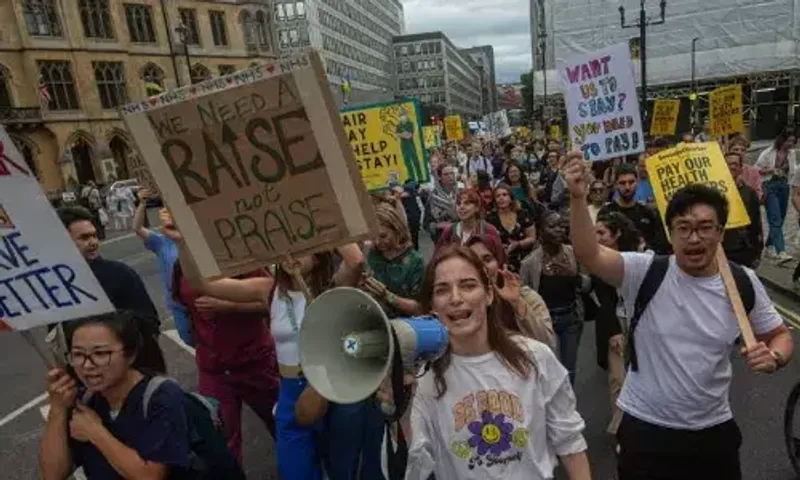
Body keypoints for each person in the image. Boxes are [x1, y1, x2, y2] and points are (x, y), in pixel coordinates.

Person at [564, 152, 793, 480]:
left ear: (720, 231)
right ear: (670, 233)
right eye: (683, 228)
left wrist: (774, 356)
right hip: (646, 432)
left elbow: (780, 335)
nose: (694, 237)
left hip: (712, 433)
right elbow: (589, 253)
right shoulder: (645, 271)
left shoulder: (742, 281)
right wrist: (577, 197)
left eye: (704, 227)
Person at [390, 244, 591, 479]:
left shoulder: (536, 358)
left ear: (488, 295)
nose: (456, 298)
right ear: (433, 306)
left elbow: (569, 443)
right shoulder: (424, 381)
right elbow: (416, 465)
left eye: (468, 285)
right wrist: (399, 408)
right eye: (442, 290)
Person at [189, 243, 371, 479]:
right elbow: (202, 284)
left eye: (302, 250)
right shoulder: (269, 290)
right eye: (287, 248)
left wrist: (324, 220)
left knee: (341, 471)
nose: (292, 256)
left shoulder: (332, 290)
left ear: (318, 257)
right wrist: (183, 242)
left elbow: (355, 261)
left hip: (332, 390)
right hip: (290, 393)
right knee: (295, 471)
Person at [39, 311, 189, 479]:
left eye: (101, 353)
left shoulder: (162, 395)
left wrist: (95, 432)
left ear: (130, 354)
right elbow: (53, 475)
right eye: (78, 354)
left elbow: (150, 476)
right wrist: (57, 409)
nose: (87, 365)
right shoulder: (84, 400)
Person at [57, 206, 165, 374]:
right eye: (84, 238)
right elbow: (57, 336)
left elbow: (150, 323)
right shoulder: (57, 283)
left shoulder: (120, 273)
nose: (93, 242)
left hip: (127, 374)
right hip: (84, 380)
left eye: (94, 235)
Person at [520, 210, 590, 385]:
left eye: (561, 225)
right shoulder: (529, 263)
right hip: (544, 321)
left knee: (569, 370)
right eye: (552, 226)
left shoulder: (573, 253)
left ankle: (568, 409)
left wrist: (574, 276)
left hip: (571, 318)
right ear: (541, 230)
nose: (559, 230)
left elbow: (588, 286)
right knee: (547, 370)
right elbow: (523, 297)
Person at [591, 212, 642, 435]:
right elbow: (601, 300)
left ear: (617, 234)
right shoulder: (597, 261)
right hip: (615, 326)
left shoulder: (639, 256)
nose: (597, 237)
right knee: (617, 378)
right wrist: (612, 331)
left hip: (641, 324)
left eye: (601, 233)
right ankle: (622, 430)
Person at [466, 234, 556, 348]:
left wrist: (516, 302)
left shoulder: (527, 297)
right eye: (474, 262)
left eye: (487, 259)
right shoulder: (462, 303)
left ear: (500, 262)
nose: (481, 267)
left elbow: (548, 342)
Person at [133, 189, 192, 345]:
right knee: (189, 338)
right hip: (178, 303)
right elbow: (138, 228)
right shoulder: (161, 242)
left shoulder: (195, 239)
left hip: (198, 299)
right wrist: (142, 204)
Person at [363, 203, 424, 318]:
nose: (377, 242)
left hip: (404, 323)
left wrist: (387, 296)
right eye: (373, 236)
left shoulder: (415, 262)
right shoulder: (371, 254)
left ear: (397, 230)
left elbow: (419, 308)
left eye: (383, 236)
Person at [599, 163, 669, 254]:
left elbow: (659, 245)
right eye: (622, 183)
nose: (627, 187)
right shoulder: (606, 212)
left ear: (637, 182)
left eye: (631, 182)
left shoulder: (648, 212)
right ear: (616, 185)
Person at [755, 128, 797, 263]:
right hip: (770, 186)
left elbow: (794, 170)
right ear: (782, 139)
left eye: (793, 141)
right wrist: (771, 170)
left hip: (784, 186)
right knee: (775, 218)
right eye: (788, 140)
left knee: (782, 217)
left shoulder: (792, 154)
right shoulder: (768, 152)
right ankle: (781, 251)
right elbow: (756, 170)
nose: (790, 143)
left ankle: (768, 247)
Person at [722, 152, 763, 268]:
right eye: (728, 164)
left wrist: (757, 251)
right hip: (720, 249)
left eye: (735, 164)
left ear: (741, 168)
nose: (732, 167)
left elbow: (756, 223)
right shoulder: (713, 192)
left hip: (742, 249)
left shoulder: (749, 193)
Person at [486, 184, 537, 272]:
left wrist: (518, 244)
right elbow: (487, 243)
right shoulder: (490, 218)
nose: (501, 198)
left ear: (511, 198)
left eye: (504, 195)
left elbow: (532, 238)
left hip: (524, 261)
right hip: (501, 264)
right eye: (497, 196)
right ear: (495, 200)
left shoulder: (523, 214)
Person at [424, 164, 459, 243]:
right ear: (439, 177)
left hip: (460, 236)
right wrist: (438, 226)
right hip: (442, 239)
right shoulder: (433, 198)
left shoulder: (461, 192)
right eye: (446, 174)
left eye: (452, 173)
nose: (450, 176)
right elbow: (426, 224)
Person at [727, 135, 763, 201]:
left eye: (743, 150)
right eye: (736, 149)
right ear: (729, 151)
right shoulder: (723, 170)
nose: (739, 152)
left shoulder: (754, 172)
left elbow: (758, 193)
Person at [397, 107, 424, 183]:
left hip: (411, 145)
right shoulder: (398, 125)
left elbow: (409, 135)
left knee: (415, 161)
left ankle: (420, 177)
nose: (402, 117)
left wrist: (402, 134)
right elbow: (397, 134)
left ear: (406, 115)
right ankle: (412, 178)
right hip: (403, 146)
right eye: (400, 115)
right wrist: (403, 134)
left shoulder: (410, 124)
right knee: (407, 163)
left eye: (403, 115)